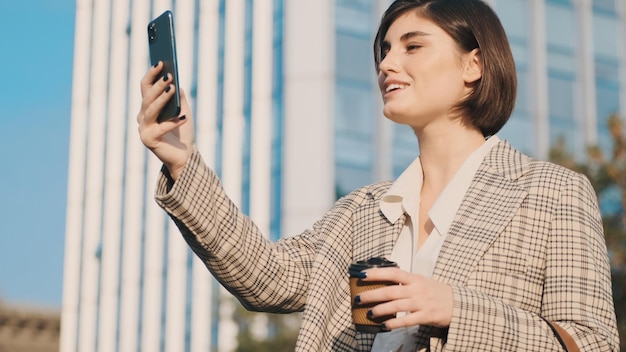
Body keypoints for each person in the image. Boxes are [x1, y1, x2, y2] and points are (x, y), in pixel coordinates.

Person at [137, 0, 620, 350]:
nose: (388, 63)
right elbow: (269, 278)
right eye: (385, 50)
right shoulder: (363, 209)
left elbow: (592, 344)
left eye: (413, 46)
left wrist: (454, 308)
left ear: (473, 65)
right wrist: (182, 160)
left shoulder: (551, 192)